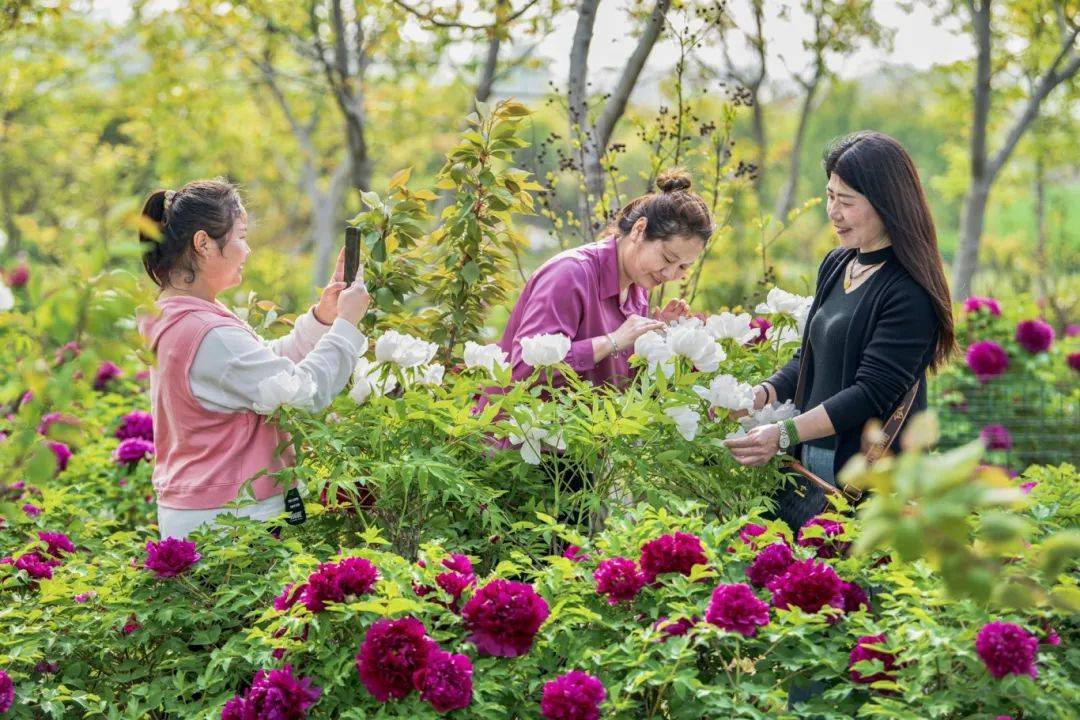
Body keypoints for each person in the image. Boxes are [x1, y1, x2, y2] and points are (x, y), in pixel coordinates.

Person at [725, 131, 956, 530]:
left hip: (868, 478)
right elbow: (810, 358)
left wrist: (781, 433)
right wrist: (758, 396)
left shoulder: (909, 291)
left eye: (846, 201)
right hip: (808, 466)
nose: (833, 211)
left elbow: (871, 393)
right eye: (830, 196)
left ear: (887, 203)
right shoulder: (837, 264)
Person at [138, 179, 371, 539]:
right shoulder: (208, 332)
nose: (247, 250)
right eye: (241, 236)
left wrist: (323, 319)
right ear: (203, 244)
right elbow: (300, 392)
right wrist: (346, 326)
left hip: (201, 511)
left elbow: (263, 370)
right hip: (231, 518)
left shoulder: (178, 314)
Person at [498, 168, 715, 389]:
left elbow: (614, 387)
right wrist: (613, 341)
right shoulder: (570, 275)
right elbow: (523, 371)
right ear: (639, 230)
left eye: (683, 267)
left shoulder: (636, 293)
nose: (670, 274)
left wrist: (663, 340)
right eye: (667, 258)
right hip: (522, 421)